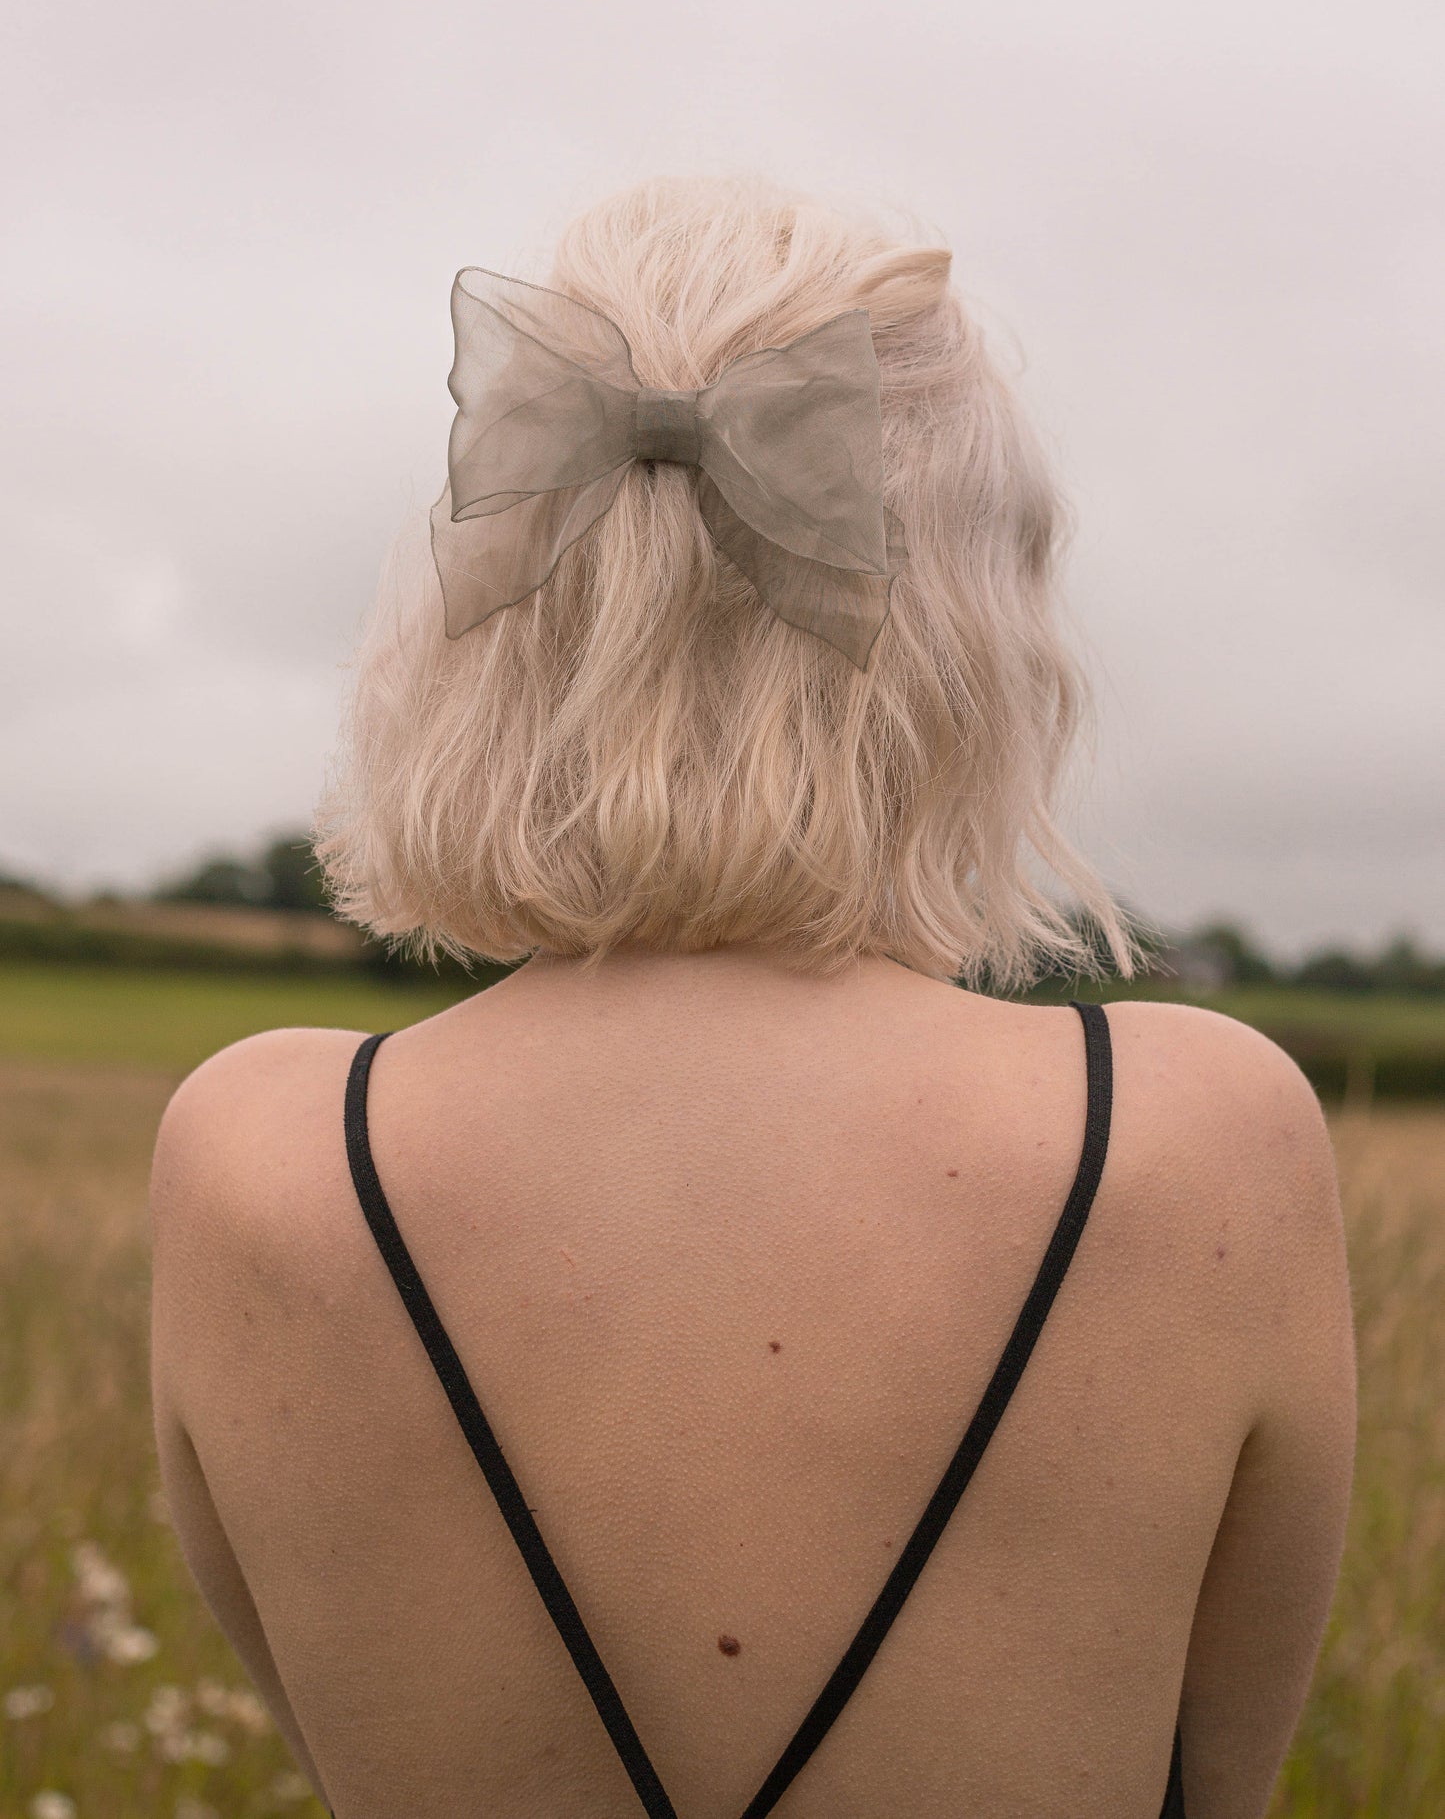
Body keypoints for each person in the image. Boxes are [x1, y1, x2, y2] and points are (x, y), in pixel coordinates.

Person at [149, 175, 1356, 1819]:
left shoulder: (260, 1152)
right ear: (968, 632)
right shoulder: (1196, 1138)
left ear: (489, 600)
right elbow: (1217, 1786)